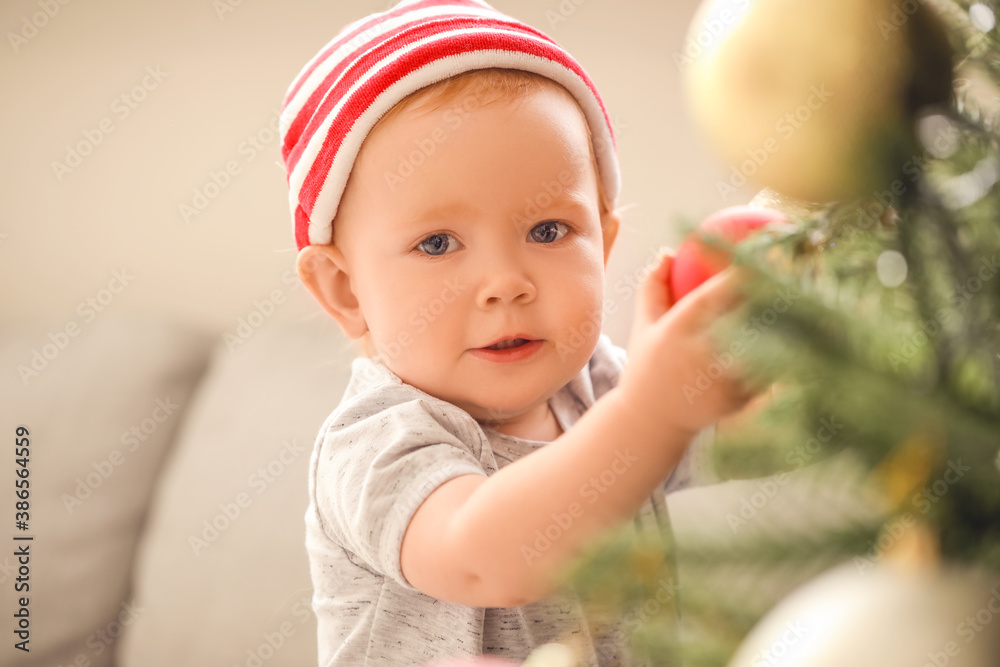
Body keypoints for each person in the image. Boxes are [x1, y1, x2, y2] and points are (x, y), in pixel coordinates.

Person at [279, 1, 757, 664]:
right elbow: (486, 558)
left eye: (548, 231)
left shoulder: (597, 382)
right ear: (345, 288)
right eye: (439, 242)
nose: (505, 281)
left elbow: (747, 435)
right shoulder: (377, 438)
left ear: (604, 242)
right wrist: (654, 405)